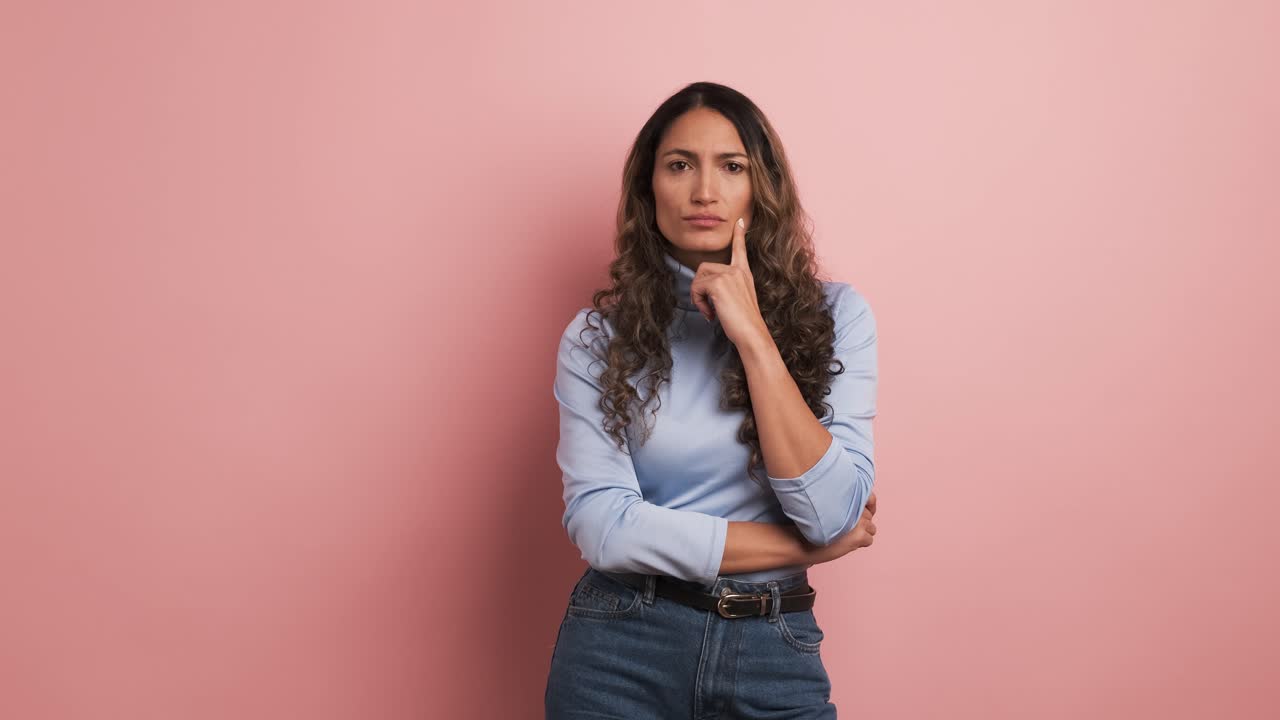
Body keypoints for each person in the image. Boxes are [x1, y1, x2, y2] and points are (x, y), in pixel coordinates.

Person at [544, 81, 879, 720]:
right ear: (649, 189)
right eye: (679, 165)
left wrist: (753, 336)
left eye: (732, 166)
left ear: (763, 186)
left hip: (773, 649)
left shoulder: (840, 316)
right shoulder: (595, 338)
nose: (704, 191)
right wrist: (806, 549)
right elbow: (605, 530)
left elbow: (832, 510)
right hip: (620, 651)